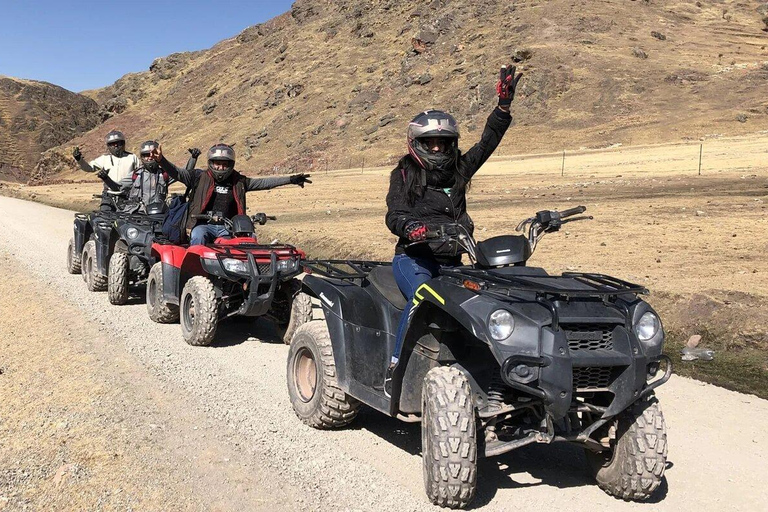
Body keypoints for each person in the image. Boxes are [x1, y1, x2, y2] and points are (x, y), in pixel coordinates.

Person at [384, 64, 523, 390]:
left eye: (443, 144)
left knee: (493, 301)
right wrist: (411, 227)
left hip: (454, 262)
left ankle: (498, 371)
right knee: (422, 298)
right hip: (415, 260)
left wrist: (502, 109)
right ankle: (395, 368)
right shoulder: (403, 175)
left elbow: (487, 144)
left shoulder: (460, 170)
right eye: (430, 143)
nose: (437, 149)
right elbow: (394, 214)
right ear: (417, 144)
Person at [155, 143, 312, 245]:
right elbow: (177, 173)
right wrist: (161, 160)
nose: (221, 168)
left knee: (251, 240)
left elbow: (264, 183)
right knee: (197, 236)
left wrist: (291, 179)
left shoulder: (239, 182)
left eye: (225, 164)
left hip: (229, 228)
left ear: (231, 165)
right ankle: (197, 272)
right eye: (218, 163)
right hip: (204, 225)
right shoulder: (198, 177)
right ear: (211, 163)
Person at [100, 142, 200, 213]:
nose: (149, 157)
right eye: (145, 155)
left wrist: (193, 158)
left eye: (152, 154)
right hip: (137, 213)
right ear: (141, 157)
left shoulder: (165, 174)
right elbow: (118, 188)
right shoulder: (135, 174)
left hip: (159, 213)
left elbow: (183, 174)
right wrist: (106, 178)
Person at [72, 130, 140, 211]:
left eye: (118, 143)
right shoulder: (105, 158)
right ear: (108, 146)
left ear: (123, 143)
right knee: (104, 219)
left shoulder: (132, 157)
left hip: (127, 196)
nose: (116, 146)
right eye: (112, 144)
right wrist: (79, 160)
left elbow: (139, 176)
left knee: (126, 220)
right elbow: (89, 168)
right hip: (109, 196)